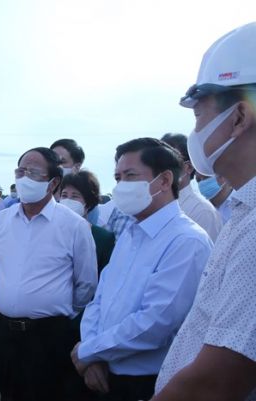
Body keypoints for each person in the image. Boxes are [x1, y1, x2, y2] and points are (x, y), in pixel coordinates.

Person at [152, 22, 256, 401]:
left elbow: (218, 381)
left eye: (198, 114)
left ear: (239, 117)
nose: (194, 131)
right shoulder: (245, 210)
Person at [72, 138, 212, 401]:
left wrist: (89, 351)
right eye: (117, 178)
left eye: (130, 176)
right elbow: (99, 300)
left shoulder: (187, 241)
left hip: (149, 383)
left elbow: (155, 324)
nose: (120, 186)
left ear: (164, 180)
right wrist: (92, 356)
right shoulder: (130, 234)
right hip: (105, 372)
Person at [0, 147, 98, 401]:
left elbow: (86, 284)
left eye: (33, 172)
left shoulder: (74, 226)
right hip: (5, 331)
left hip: (48, 335)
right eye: (20, 171)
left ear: (53, 183)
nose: (24, 178)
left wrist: (53, 309)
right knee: (9, 393)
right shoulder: (2, 220)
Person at [59, 171, 116, 401]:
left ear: (89, 203)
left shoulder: (103, 238)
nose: (68, 200)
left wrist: (78, 319)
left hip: (82, 325)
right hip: (50, 323)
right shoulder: (49, 233)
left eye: (76, 196)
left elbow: (102, 287)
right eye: (64, 195)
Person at [161, 133, 223, 240]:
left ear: (188, 167)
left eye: (168, 162)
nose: (160, 168)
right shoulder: (153, 206)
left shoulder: (202, 212)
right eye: (155, 163)